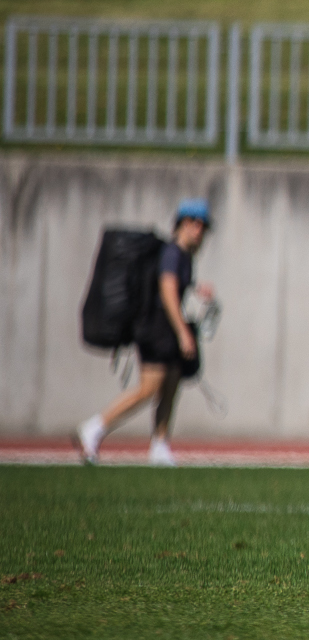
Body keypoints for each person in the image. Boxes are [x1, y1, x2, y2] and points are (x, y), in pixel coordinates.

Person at [74, 198, 214, 467]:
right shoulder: (173, 253)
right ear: (187, 223)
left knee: (171, 385)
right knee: (149, 388)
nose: (202, 232)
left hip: (165, 329)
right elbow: (168, 291)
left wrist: (197, 288)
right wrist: (183, 332)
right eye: (200, 225)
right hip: (155, 328)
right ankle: (94, 427)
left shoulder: (182, 255)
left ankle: (160, 445)